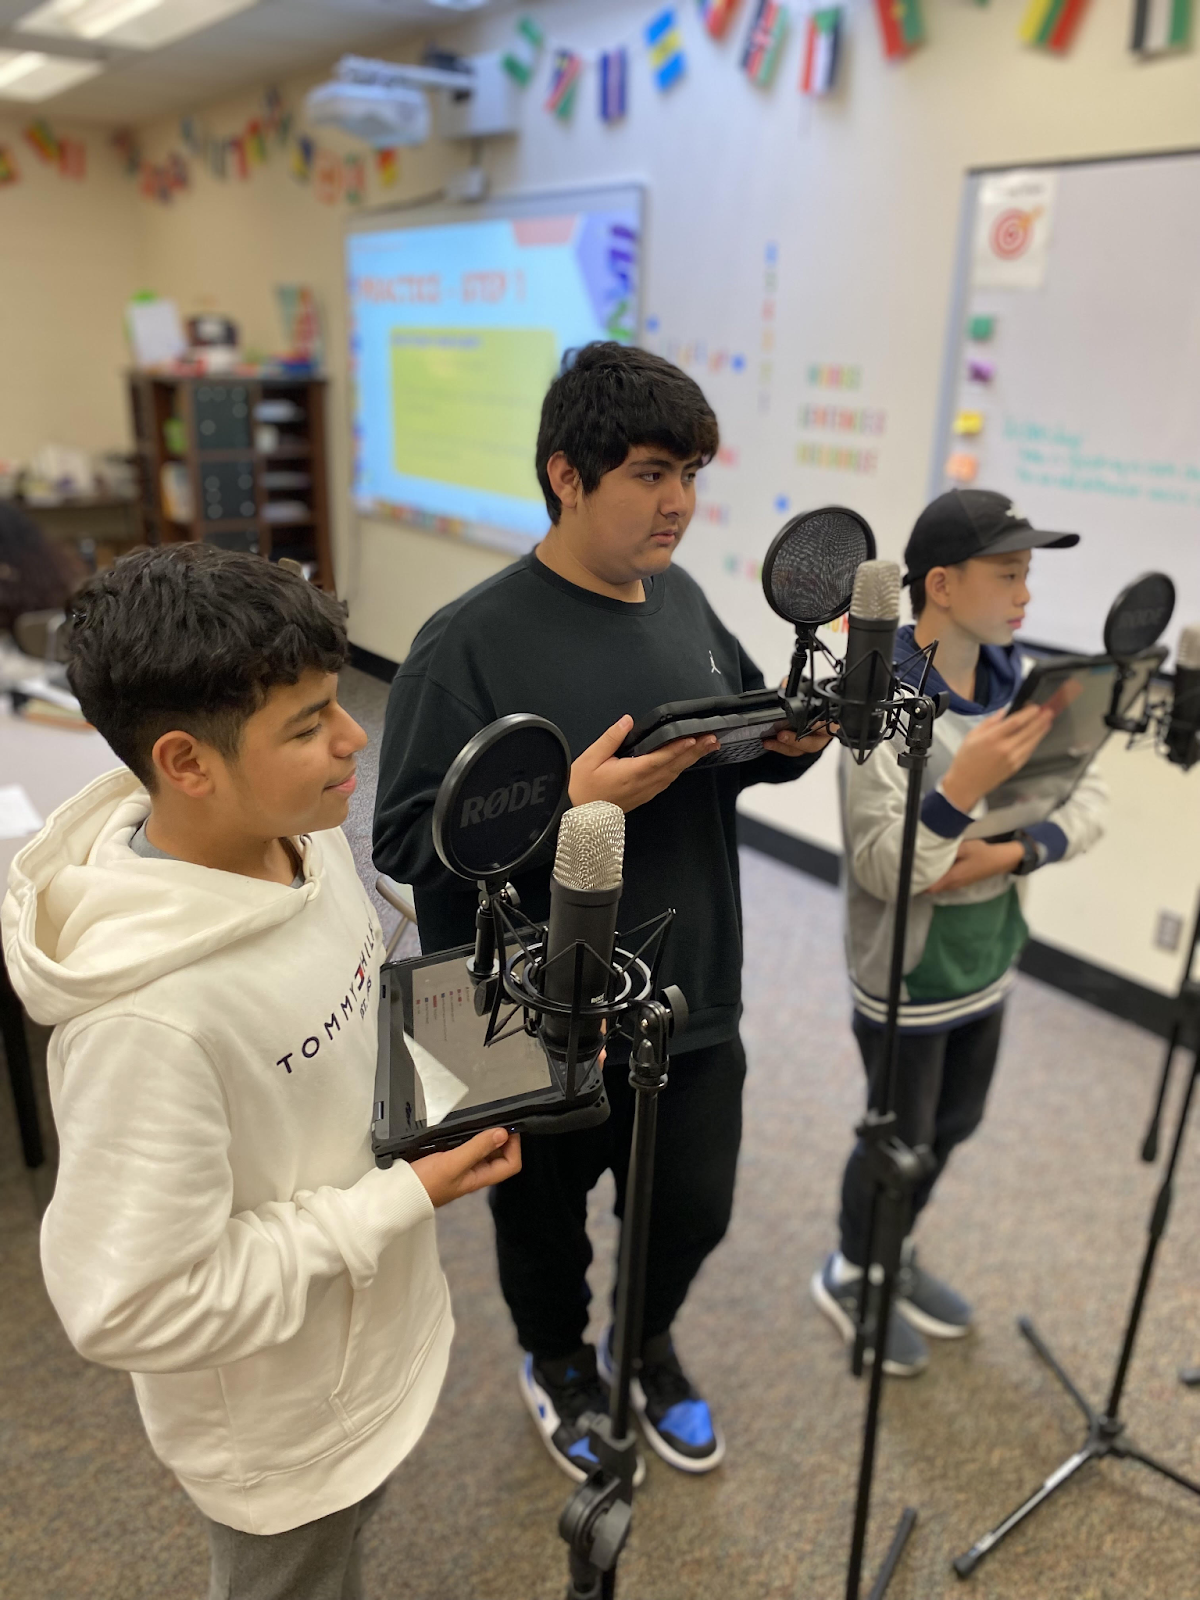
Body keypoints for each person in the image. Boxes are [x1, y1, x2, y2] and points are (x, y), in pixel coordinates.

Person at [1, 545, 521, 1600]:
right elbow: (132, 1304)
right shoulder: (145, 1025)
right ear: (189, 763)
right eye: (307, 725)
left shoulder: (302, 832)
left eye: (336, 703)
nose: (353, 737)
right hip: (282, 1437)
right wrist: (395, 1203)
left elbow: (346, 991)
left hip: (370, 1340)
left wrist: (502, 1029)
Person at [373, 341, 833, 1480]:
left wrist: (779, 747)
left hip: (689, 988)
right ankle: (558, 1361)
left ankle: (643, 1340)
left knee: (694, 1207)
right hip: (525, 1007)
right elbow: (399, 841)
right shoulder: (464, 641)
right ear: (566, 475)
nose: (678, 501)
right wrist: (567, 801)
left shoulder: (682, 601)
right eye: (649, 471)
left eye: (691, 473)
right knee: (540, 1220)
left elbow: (713, 748)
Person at [811, 488, 1108, 1376]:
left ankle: (894, 1255)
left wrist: (1014, 852)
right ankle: (853, 1269)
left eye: (1028, 576)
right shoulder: (885, 697)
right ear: (941, 584)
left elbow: (1086, 799)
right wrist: (963, 793)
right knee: (898, 1138)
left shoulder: (1022, 679)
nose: (1026, 595)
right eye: (1008, 575)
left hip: (987, 956)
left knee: (955, 1126)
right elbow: (882, 866)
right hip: (906, 972)